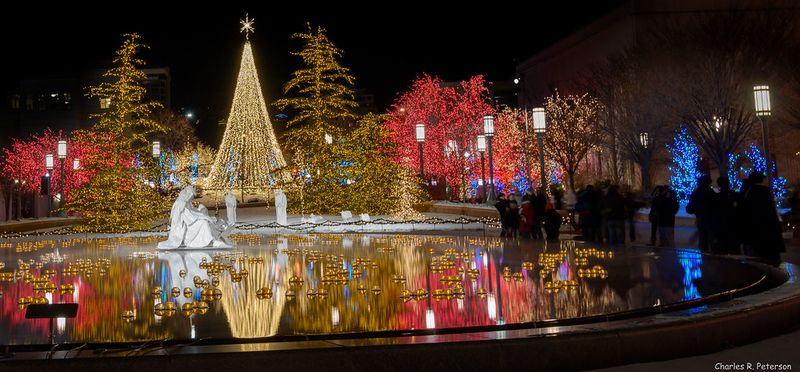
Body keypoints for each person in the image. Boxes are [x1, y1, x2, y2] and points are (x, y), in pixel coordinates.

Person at [744, 172, 785, 263]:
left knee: (761, 254)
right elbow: (770, 212)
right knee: (771, 255)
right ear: (761, 180)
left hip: (756, 229)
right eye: (765, 179)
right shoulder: (764, 192)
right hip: (768, 228)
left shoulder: (749, 192)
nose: (766, 180)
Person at [686, 175, 714, 252]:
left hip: (701, 218)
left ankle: (704, 256)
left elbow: (690, 208)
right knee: (710, 238)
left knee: (703, 238)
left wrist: (697, 211)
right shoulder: (711, 192)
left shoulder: (696, 193)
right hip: (710, 219)